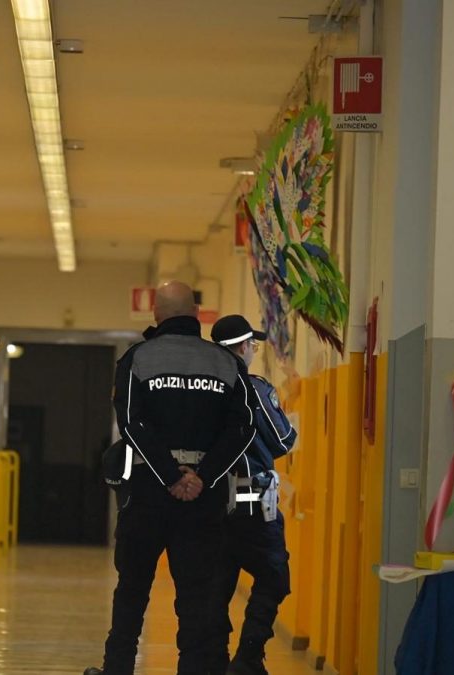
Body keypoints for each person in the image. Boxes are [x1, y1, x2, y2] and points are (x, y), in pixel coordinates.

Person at [86, 281, 256, 675]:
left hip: (146, 494)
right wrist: (203, 477)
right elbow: (243, 428)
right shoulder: (227, 363)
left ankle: (117, 670)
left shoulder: (138, 359)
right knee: (197, 602)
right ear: (197, 315)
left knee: (131, 595)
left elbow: (131, 422)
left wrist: (167, 474)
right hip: (204, 500)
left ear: (157, 316)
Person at [208, 315, 297, 675]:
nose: (254, 351)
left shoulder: (204, 391)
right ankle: (248, 656)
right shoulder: (254, 389)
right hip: (251, 494)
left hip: (209, 497)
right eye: (253, 345)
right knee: (274, 575)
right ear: (244, 347)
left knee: (217, 582)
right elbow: (283, 440)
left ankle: (212, 657)